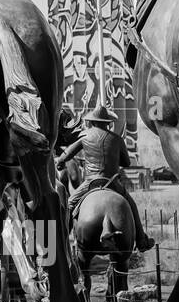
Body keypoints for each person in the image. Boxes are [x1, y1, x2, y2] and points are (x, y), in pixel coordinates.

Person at [57, 104, 155, 252]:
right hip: (113, 183)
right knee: (132, 205)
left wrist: (60, 163)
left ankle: (61, 242)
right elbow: (127, 163)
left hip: (90, 183)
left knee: (69, 205)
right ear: (107, 122)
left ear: (93, 122)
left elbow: (65, 155)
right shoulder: (117, 138)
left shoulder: (85, 136)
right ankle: (141, 240)